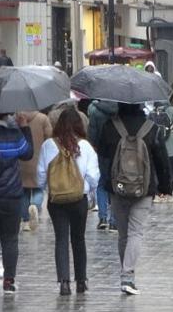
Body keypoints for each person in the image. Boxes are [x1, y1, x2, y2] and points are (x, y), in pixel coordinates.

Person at [97, 102, 171, 295]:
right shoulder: (151, 128)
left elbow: (102, 158)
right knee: (136, 233)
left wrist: (107, 183)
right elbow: (162, 160)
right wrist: (165, 186)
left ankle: (126, 275)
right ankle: (127, 275)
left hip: (117, 188)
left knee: (123, 235)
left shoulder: (110, 126)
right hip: (143, 189)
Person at [36, 108, 99, 296]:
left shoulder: (49, 145)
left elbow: (41, 174)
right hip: (79, 199)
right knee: (78, 239)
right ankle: (81, 281)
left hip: (56, 200)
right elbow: (93, 176)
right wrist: (86, 189)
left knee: (61, 238)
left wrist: (48, 188)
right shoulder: (85, 146)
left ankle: (64, 281)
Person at [0, 111, 33, 293]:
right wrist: (24, 127)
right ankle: (9, 281)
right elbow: (27, 153)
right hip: (10, 195)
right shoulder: (13, 134)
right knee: (10, 239)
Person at [16, 111, 53, 231]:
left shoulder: (17, 117)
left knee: (24, 191)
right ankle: (35, 206)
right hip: (39, 159)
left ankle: (26, 221)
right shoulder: (43, 118)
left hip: (22, 160)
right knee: (38, 188)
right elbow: (49, 137)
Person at [87, 100, 118, 231]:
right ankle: (114, 221)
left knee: (102, 183)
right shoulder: (119, 110)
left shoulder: (95, 112)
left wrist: (95, 147)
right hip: (118, 151)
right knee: (116, 184)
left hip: (102, 151)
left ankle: (103, 218)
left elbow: (92, 135)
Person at [148, 101, 173, 202]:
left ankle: (157, 194)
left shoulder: (151, 112)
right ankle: (169, 193)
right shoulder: (170, 109)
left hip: (156, 146)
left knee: (156, 170)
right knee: (172, 171)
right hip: (171, 147)